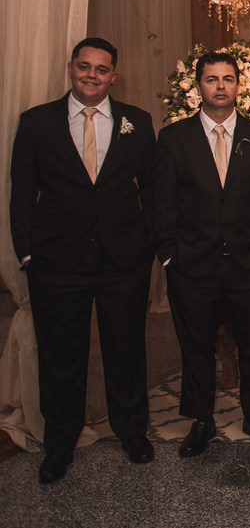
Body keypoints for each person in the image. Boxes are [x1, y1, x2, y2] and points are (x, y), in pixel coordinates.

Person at [10, 37, 156, 483]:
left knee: (126, 348)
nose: (92, 75)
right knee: (60, 356)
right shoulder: (37, 122)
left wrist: (147, 245)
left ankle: (132, 430)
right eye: (84, 66)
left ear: (114, 76)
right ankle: (59, 443)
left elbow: (151, 188)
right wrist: (27, 252)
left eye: (101, 69)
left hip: (123, 259)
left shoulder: (137, 121)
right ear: (71, 69)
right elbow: (22, 191)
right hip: (56, 261)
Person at [154, 51, 250, 457]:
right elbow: (163, 203)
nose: (220, 86)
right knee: (196, 345)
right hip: (193, 263)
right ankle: (201, 420)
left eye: (228, 79)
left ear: (238, 85)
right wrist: (170, 255)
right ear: (199, 87)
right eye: (212, 79)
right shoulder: (174, 138)